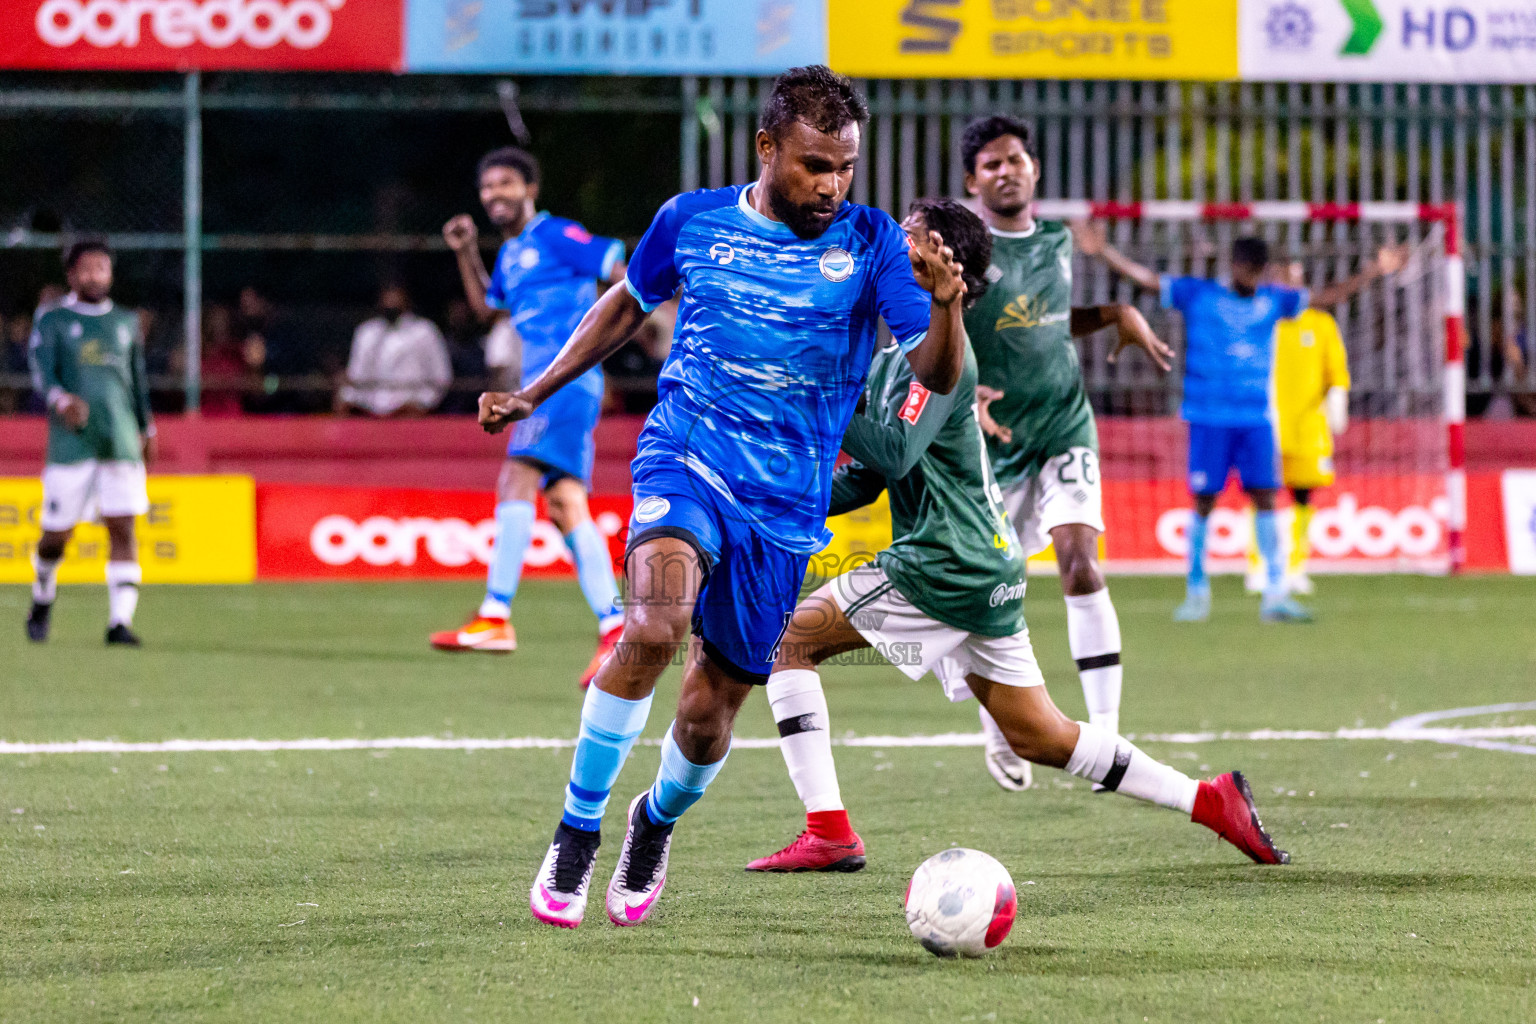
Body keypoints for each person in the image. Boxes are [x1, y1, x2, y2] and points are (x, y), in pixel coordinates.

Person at [476, 65, 969, 929]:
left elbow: (932, 372)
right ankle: (576, 827)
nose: (832, 185)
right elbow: (624, 306)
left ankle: (652, 821)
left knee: (710, 714)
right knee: (655, 624)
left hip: (785, 506)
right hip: (687, 458)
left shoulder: (874, 242)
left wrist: (947, 307)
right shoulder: (691, 220)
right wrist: (535, 391)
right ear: (767, 147)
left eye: (846, 167)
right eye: (816, 164)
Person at [747, 198, 1288, 873]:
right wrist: (775, 502)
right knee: (1041, 735)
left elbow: (891, 453)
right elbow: (866, 482)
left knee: (789, 645)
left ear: (947, 270)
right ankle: (1211, 801)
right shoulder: (891, 361)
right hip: (982, 566)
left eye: (909, 238)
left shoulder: (945, 358)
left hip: (946, 563)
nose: (891, 243)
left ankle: (828, 831)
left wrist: (814, 396)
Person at [956, 115, 1174, 791]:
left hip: (1062, 426)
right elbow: (931, 327)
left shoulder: (1056, 240)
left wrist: (1113, 314)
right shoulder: (961, 249)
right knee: (995, 590)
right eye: (991, 164)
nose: (1006, 170)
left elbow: (1047, 322)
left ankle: (1105, 734)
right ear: (973, 181)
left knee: (1081, 561)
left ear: (1035, 169)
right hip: (993, 442)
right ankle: (1002, 724)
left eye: (1015, 159)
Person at [1075, 227, 1403, 623]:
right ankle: (1196, 591)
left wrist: (1373, 272)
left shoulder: (1273, 301)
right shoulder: (1200, 295)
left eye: (1258, 270)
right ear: (1234, 266)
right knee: (1203, 501)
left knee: (1266, 497)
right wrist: (1105, 252)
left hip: (1256, 420)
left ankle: (1276, 593)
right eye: (1247, 268)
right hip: (1208, 418)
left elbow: (1326, 296)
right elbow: (1146, 280)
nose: (1252, 276)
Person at [433, 147, 627, 680]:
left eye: (505, 185)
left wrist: (636, 326)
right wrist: (467, 251)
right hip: (544, 387)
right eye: (487, 187)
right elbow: (488, 309)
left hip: (564, 381)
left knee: (515, 477)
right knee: (566, 505)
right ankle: (615, 628)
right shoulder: (514, 252)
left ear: (529, 188)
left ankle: (496, 614)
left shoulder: (557, 235)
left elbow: (620, 270)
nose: (494, 194)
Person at [25, 241, 156, 646]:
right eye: (87, 269)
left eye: (102, 268)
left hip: (119, 440)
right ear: (72, 275)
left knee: (123, 527)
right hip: (72, 443)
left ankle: (119, 623)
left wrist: (146, 427)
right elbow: (42, 372)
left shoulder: (125, 321)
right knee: (56, 536)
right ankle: (43, 592)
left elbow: (136, 380)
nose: (95, 276)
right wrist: (61, 400)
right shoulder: (53, 319)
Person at [1245, 262, 1350, 596]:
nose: (1290, 286)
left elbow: (1336, 371)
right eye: (1283, 279)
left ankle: (1296, 566)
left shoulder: (1320, 323)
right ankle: (1258, 564)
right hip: (1267, 420)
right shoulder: (1262, 320)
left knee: (1303, 495)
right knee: (1262, 494)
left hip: (1308, 426)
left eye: (1295, 279)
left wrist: (1338, 398)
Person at [334, 283, 452, 418]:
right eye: (387, 295)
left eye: (395, 294)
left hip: (411, 413)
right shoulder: (367, 332)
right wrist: (346, 398)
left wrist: (423, 404)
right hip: (370, 413)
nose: (391, 300)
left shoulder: (424, 331)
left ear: (406, 298)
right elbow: (356, 375)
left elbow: (441, 376)